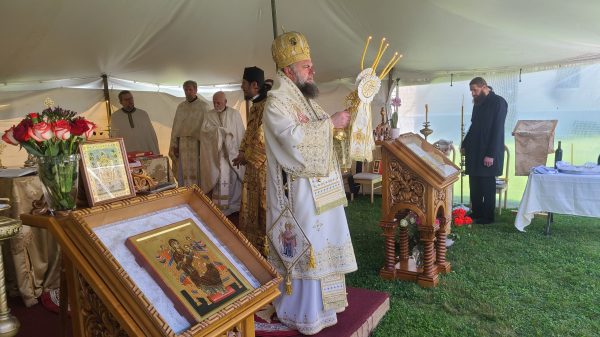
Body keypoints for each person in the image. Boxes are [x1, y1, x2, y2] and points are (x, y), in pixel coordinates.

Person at [263, 31, 357, 335]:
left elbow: (323, 134)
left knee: (327, 241)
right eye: (306, 66)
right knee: (310, 247)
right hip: (299, 193)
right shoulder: (277, 102)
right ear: (289, 71)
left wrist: (340, 127)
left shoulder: (305, 101)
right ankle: (303, 312)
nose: (312, 71)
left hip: (323, 191)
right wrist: (330, 124)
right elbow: (293, 141)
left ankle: (326, 306)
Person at [461, 77, 508, 224]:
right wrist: (465, 143)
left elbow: (497, 130)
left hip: (488, 152)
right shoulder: (478, 103)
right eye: (471, 91)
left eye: (475, 90)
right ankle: (476, 212)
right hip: (474, 151)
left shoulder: (499, 102)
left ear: (484, 87)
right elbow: (474, 126)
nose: (473, 94)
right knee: (474, 182)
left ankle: (487, 217)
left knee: (487, 185)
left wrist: (490, 154)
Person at [232, 66, 268, 254]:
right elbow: (249, 133)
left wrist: (247, 156)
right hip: (252, 167)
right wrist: (241, 152)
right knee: (251, 205)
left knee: (262, 207)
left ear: (255, 85)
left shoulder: (268, 105)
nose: (242, 87)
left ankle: (264, 247)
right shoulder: (256, 105)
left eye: (244, 84)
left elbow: (262, 138)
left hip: (263, 168)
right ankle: (252, 246)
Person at [199, 91, 245, 215]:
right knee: (218, 178)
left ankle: (233, 206)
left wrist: (240, 150)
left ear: (225, 102)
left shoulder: (234, 114)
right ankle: (218, 206)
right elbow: (204, 132)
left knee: (233, 179)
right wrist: (219, 132)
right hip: (217, 155)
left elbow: (240, 133)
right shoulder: (209, 115)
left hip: (232, 153)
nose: (216, 105)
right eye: (214, 102)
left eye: (218, 102)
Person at [169, 80, 210, 187]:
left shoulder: (204, 107)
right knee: (184, 170)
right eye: (186, 90)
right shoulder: (181, 107)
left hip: (197, 145)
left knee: (197, 170)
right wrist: (175, 145)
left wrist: (204, 147)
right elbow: (176, 128)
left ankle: (198, 194)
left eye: (190, 89)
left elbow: (207, 129)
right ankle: (185, 192)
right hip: (183, 144)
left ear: (196, 90)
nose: (188, 92)